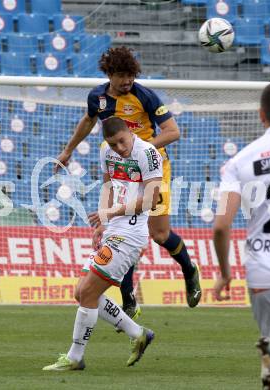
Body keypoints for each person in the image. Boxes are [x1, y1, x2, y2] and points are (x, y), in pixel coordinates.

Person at [56, 46, 201, 318]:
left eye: (131, 76)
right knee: (121, 230)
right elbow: (88, 122)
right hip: (121, 170)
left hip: (153, 167)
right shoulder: (97, 98)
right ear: (109, 74)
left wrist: (141, 150)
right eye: (122, 76)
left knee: (158, 235)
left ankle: (189, 269)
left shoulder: (145, 96)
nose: (127, 81)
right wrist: (68, 150)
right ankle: (128, 296)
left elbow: (173, 132)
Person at [43, 117, 162, 371]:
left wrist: (112, 213)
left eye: (121, 141)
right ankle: (139, 334)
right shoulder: (106, 152)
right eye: (113, 143)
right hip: (113, 230)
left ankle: (75, 357)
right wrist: (102, 224)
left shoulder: (148, 153)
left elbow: (152, 199)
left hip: (130, 235)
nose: (119, 147)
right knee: (81, 293)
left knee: (87, 293)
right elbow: (109, 186)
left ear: (129, 132)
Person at [213, 80, 270, 389]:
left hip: (262, 268)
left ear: (261, 115)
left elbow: (221, 226)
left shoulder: (239, 162)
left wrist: (225, 273)